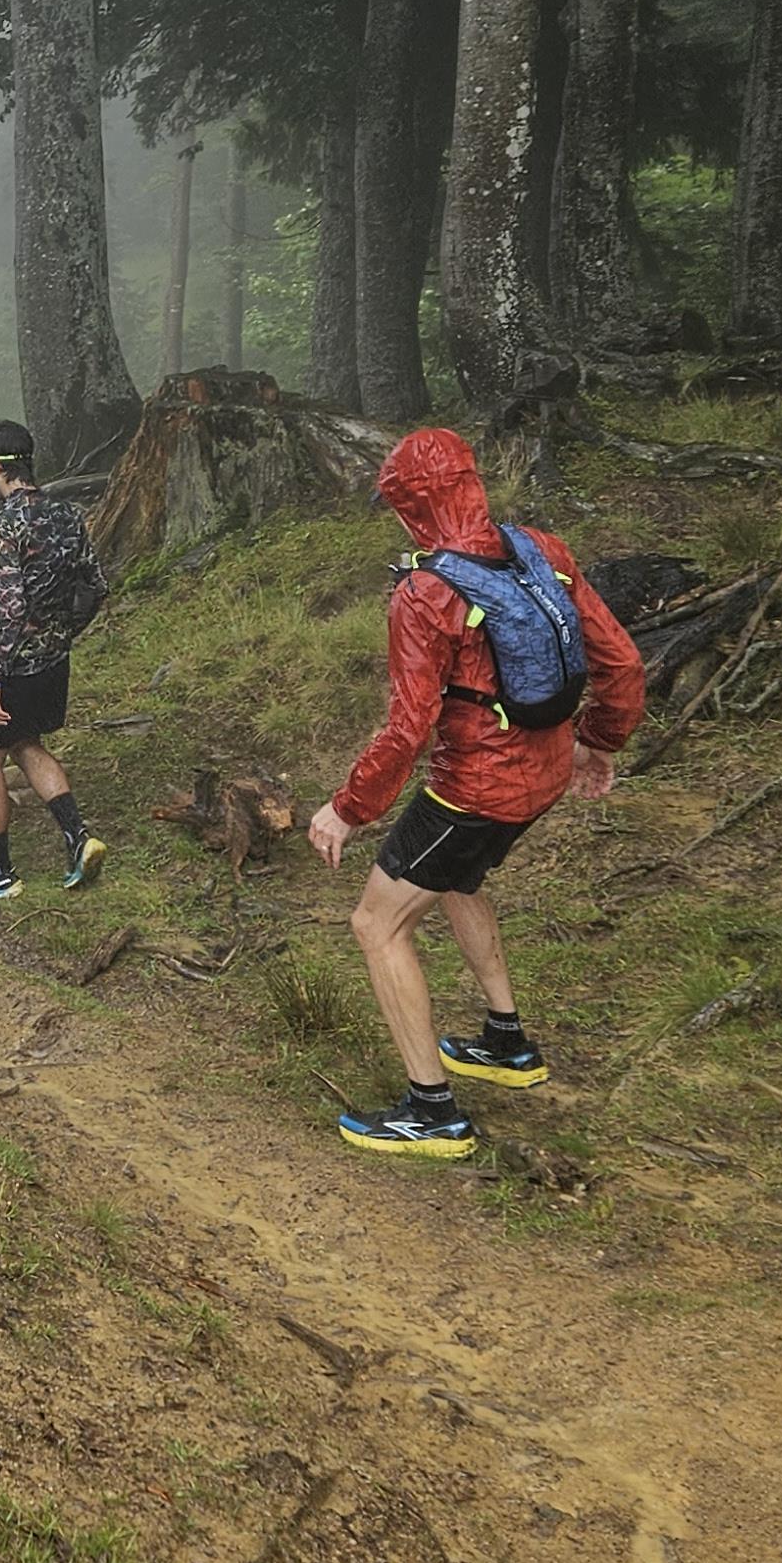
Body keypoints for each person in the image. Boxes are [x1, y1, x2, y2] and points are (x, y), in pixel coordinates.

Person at [307, 424, 645, 1160]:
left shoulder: (426, 593)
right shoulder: (542, 551)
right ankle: (505, 1041)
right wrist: (598, 742)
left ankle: (432, 1111)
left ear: (411, 509)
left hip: (472, 792)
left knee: (377, 925)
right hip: (545, 773)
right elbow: (620, 661)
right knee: (460, 879)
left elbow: (407, 731)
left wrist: (345, 809)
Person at [0, 420, 108, 901]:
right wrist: (61, 634)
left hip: (9, 665)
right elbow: (95, 586)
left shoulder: (3, 524)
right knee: (26, 744)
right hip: (51, 662)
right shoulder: (67, 514)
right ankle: (79, 839)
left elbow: (8, 606)